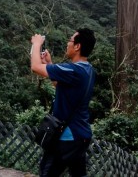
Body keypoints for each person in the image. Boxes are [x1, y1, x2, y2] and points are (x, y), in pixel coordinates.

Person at [30, 29, 96, 177]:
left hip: (67, 137)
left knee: (47, 172)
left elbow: (35, 67)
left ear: (77, 46)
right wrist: (49, 63)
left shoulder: (74, 70)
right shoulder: (89, 70)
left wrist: (36, 44)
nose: (68, 43)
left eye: (70, 40)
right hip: (81, 135)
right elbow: (60, 85)